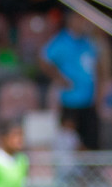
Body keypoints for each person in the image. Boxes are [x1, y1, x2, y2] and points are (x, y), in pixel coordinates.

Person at [42, 12, 101, 149]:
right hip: (70, 101)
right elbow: (44, 59)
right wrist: (58, 77)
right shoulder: (62, 41)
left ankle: (91, 169)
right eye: (80, 19)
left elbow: (98, 66)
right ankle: (71, 170)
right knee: (70, 141)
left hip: (89, 100)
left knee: (91, 141)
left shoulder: (88, 41)